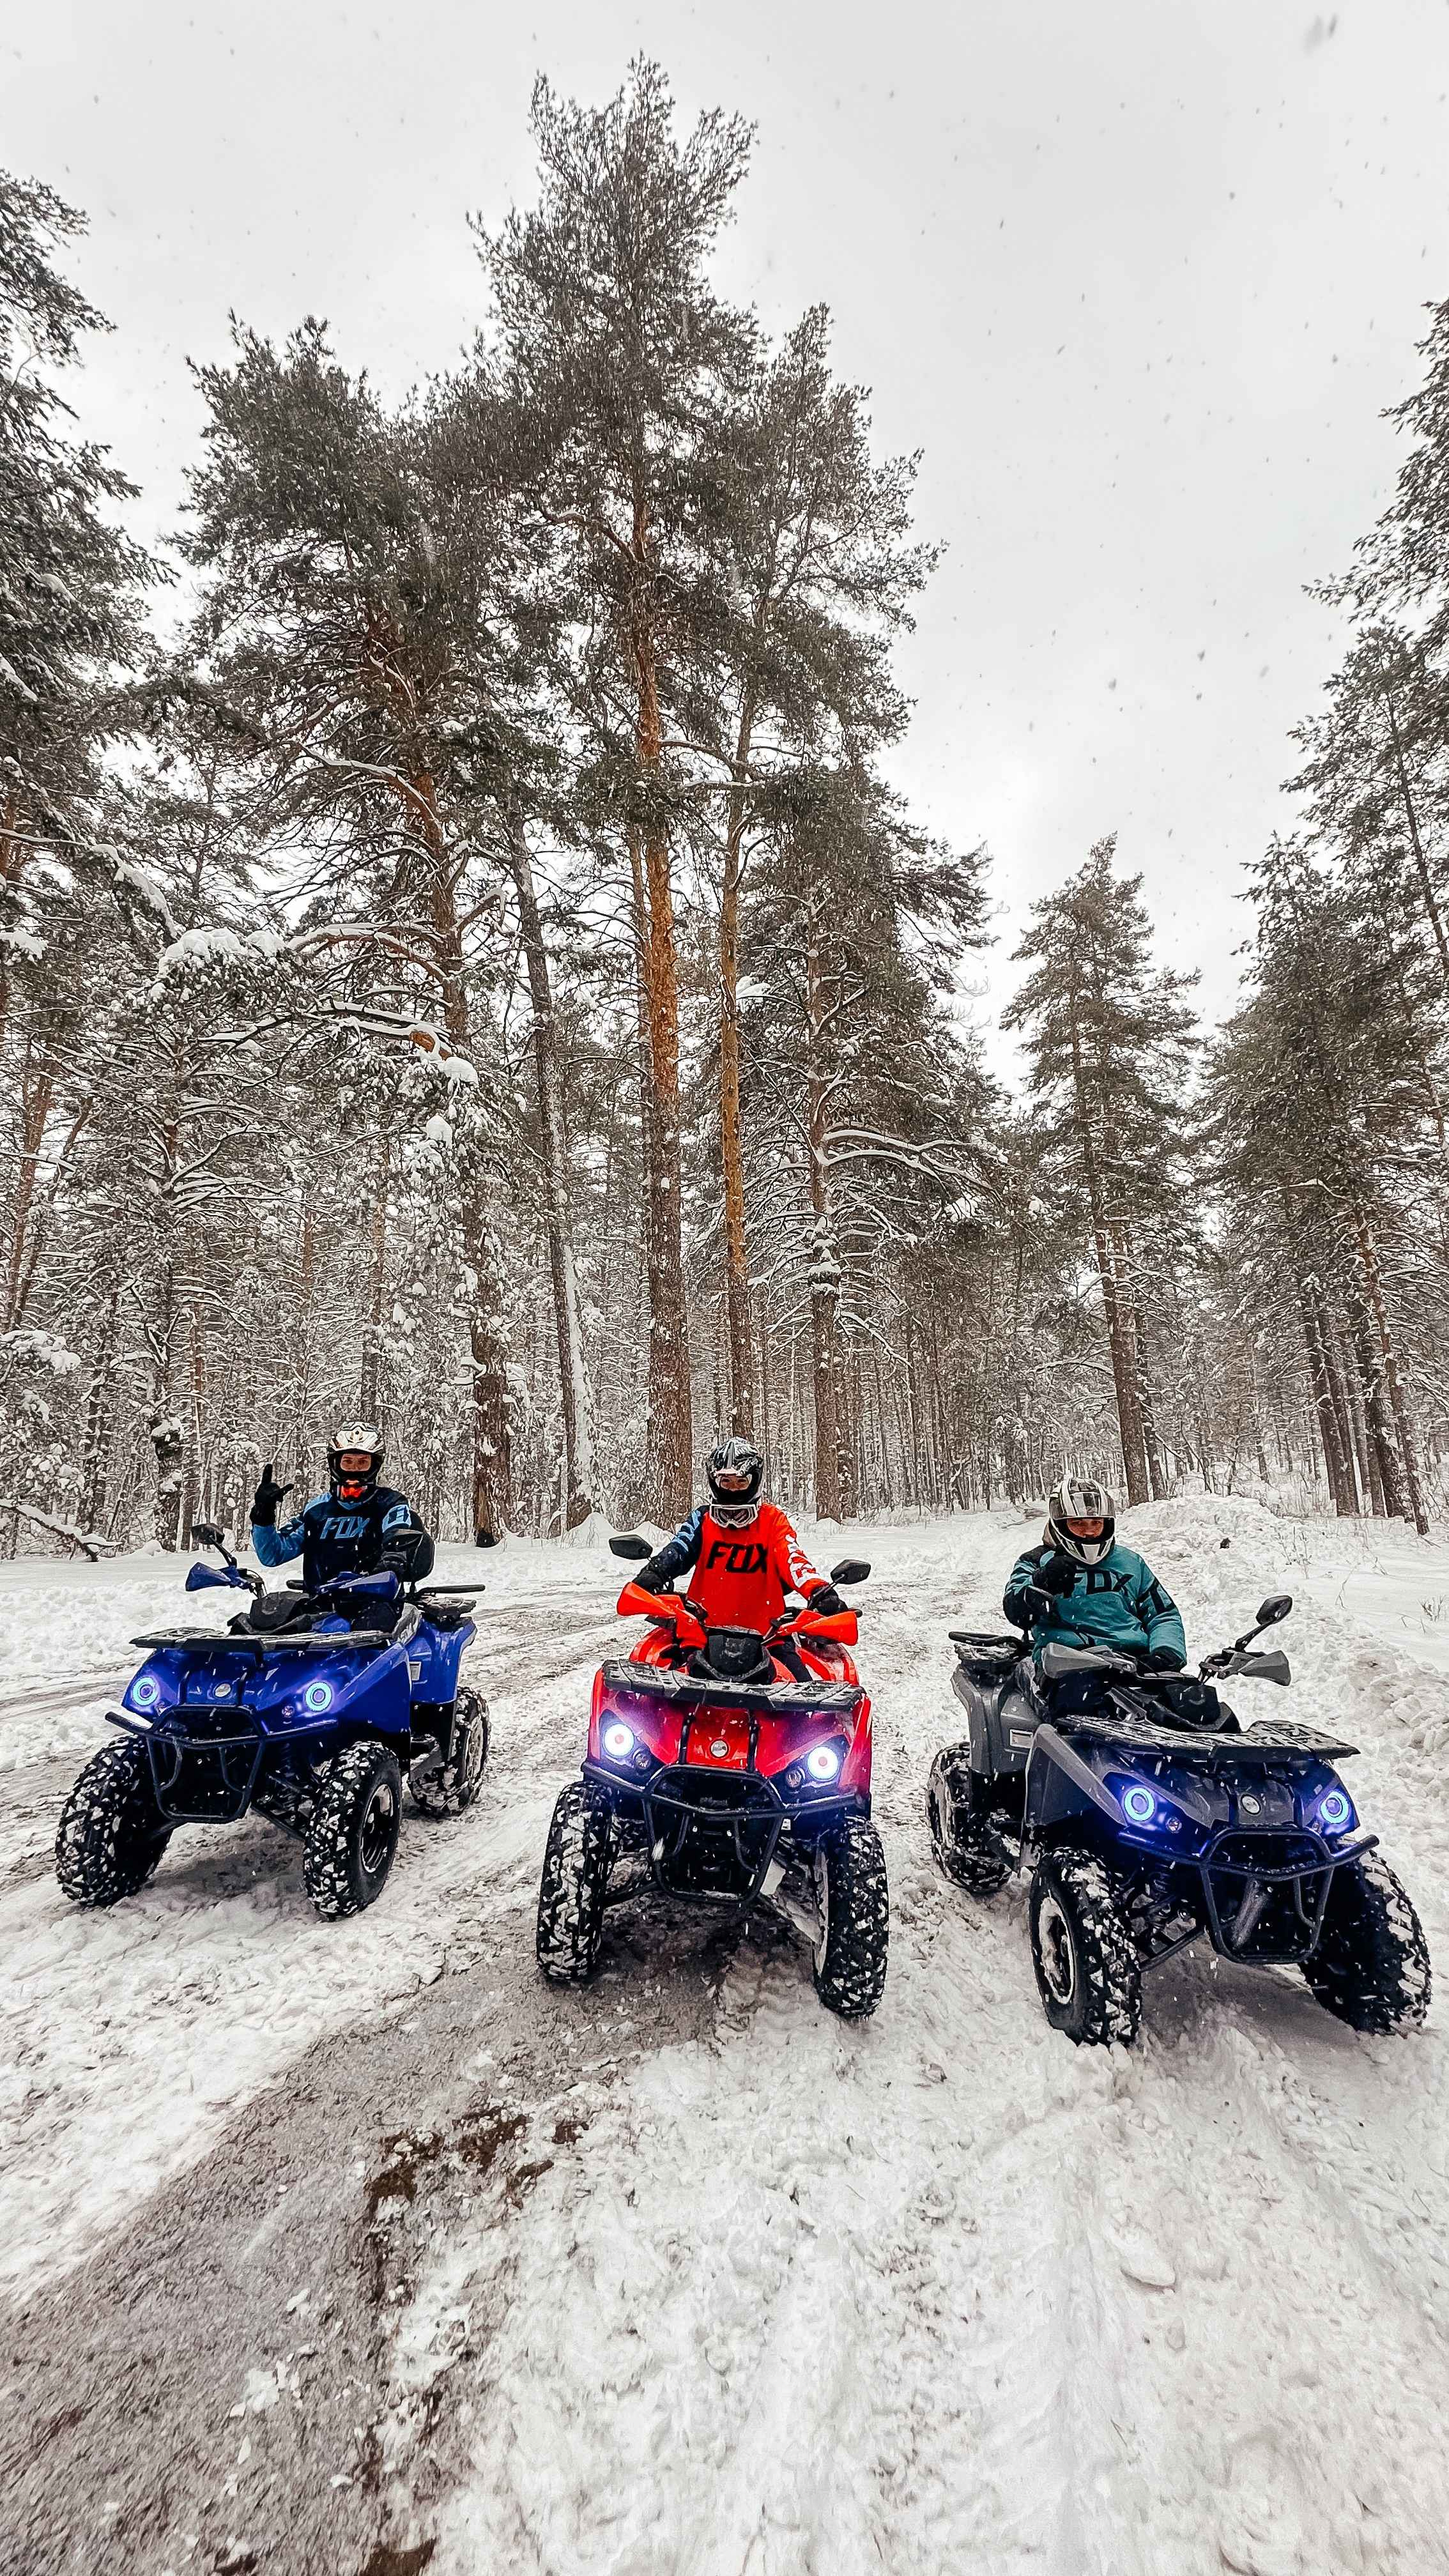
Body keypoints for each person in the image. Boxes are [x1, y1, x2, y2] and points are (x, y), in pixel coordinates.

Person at [634, 1436, 843, 1632]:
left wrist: (819, 1591)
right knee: (651, 1662)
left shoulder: (772, 1520)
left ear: (754, 1481)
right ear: (715, 1483)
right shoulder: (702, 1519)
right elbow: (679, 1549)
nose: (733, 1490)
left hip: (767, 1634)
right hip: (701, 1632)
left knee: (803, 1672)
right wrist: (655, 1571)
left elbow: (794, 1560)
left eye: (741, 1481)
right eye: (726, 1482)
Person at [1003, 1477, 1186, 1671]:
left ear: (1106, 1524)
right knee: (1093, 1700)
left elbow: (1163, 1614)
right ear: (1061, 1524)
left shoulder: (1131, 1562)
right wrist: (1041, 1581)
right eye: (1078, 1523)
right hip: (1067, 1662)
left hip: (1135, 1661)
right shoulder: (1036, 1561)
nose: (1089, 1532)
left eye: (1096, 1523)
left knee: (1195, 1698)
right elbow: (1016, 1613)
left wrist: (1166, 1653)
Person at [250, 1422, 434, 1593]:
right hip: (317, 1607)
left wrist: (393, 1558)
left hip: (374, 1602)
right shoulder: (316, 1510)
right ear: (336, 1463)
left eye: (363, 1462)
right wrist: (263, 1516)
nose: (354, 1469)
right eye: (348, 1462)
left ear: (375, 1465)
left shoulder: (390, 1503)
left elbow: (397, 1533)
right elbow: (273, 1555)